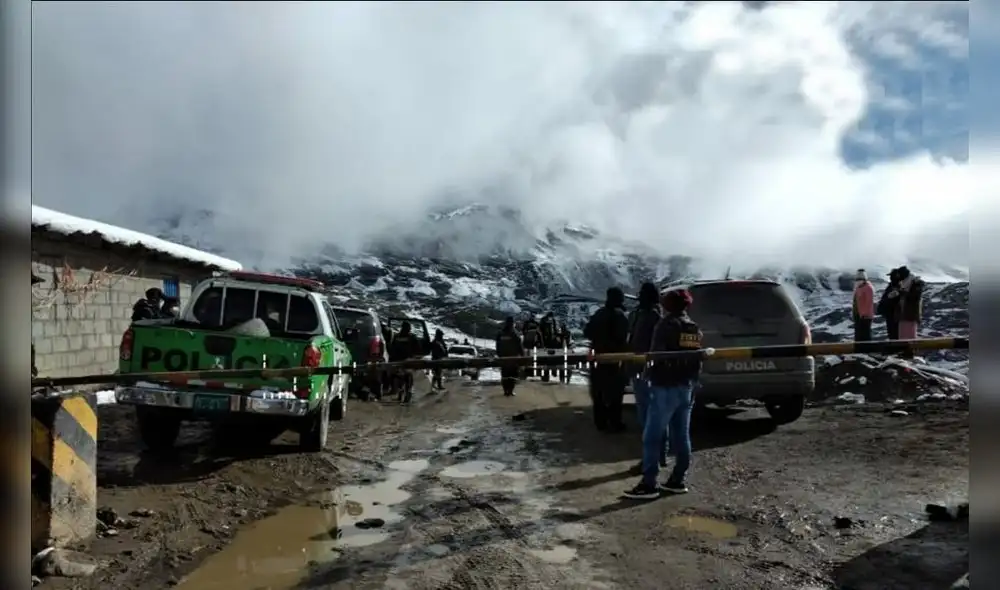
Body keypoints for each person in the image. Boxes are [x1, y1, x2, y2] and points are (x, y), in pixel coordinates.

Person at [623, 289, 702, 500]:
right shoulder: (692, 327)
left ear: (668, 305)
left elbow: (656, 355)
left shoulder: (665, 325)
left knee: (652, 436)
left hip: (665, 385)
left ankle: (649, 483)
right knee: (681, 435)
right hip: (686, 386)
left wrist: (647, 375)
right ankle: (678, 479)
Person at [627, 282, 667, 473]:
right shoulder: (643, 314)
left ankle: (653, 458)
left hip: (648, 370)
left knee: (650, 417)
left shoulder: (653, 316)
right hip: (641, 368)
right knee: (650, 415)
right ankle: (657, 456)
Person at [583, 286, 630, 432]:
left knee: (598, 392)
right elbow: (624, 338)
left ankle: (601, 422)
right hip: (615, 360)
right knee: (615, 393)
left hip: (597, 358)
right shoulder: (620, 315)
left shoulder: (598, 314)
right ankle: (615, 422)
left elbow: (587, 332)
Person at [896, 266, 925, 353]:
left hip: (910, 314)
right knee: (902, 336)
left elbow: (915, 297)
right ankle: (903, 352)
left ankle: (910, 353)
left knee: (910, 335)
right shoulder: (903, 284)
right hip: (903, 313)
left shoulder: (916, 283)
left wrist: (902, 293)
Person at [389, 321, 418, 403]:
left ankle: (400, 394)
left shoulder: (396, 336)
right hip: (408, 361)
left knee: (400, 378)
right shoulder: (412, 337)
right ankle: (407, 394)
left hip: (397, 361)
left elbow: (392, 349)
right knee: (408, 378)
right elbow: (417, 349)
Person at [496, 317, 524, 396]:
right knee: (512, 375)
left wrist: (499, 355)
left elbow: (497, 346)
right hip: (513, 359)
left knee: (505, 375)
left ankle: (505, 391)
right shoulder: (515, 333)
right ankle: (510, 391)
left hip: (503, 359)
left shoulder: (500, 333)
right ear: (512, 323)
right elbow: (520, 346)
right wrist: (522, 356)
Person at [877, 268, 902, 340]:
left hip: (894, 313)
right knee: (892, 331)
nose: (890, 278)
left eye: (891, 276)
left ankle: (895, 348)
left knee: (894, 332)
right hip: (890, 313)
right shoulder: (892, 286)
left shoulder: (896, 287)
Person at [852, 269, 875, 342]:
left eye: (860, 279)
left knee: (865, 334)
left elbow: (869, 302)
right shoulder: (858, 288)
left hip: (865, 316)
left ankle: (866, 349)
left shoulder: (868, 288)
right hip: (858, 314)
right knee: (859, 333)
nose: (858, 281)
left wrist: (865, 313)